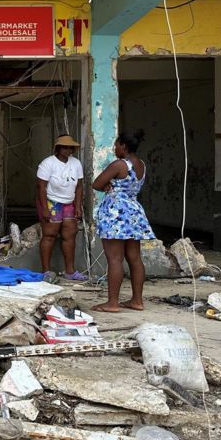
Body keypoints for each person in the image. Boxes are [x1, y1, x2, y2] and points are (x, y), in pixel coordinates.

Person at [91, 131, 154, 313]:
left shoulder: (119, 165)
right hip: (134, 212)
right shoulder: (141, 165)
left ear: (124, 146)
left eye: (116, 145)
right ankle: (137, 300)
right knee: (134, 258)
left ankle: (112, 303)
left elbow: (96, 183)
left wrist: (107, 185)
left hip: (116, 213)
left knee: (115, 259)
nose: (114, 148)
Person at [36, 135, 87, 281]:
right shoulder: (48, 163)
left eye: (71, 147)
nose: (68, 150)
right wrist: (45, 208)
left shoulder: (76, 163)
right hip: (51, 202)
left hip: (69, 202)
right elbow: (41, 187)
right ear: (58, 148)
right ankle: (46, 271)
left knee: (69, 236)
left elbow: (79, 186)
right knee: (49, 235)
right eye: (65, 147)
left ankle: (70, 271)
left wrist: (78, 206)